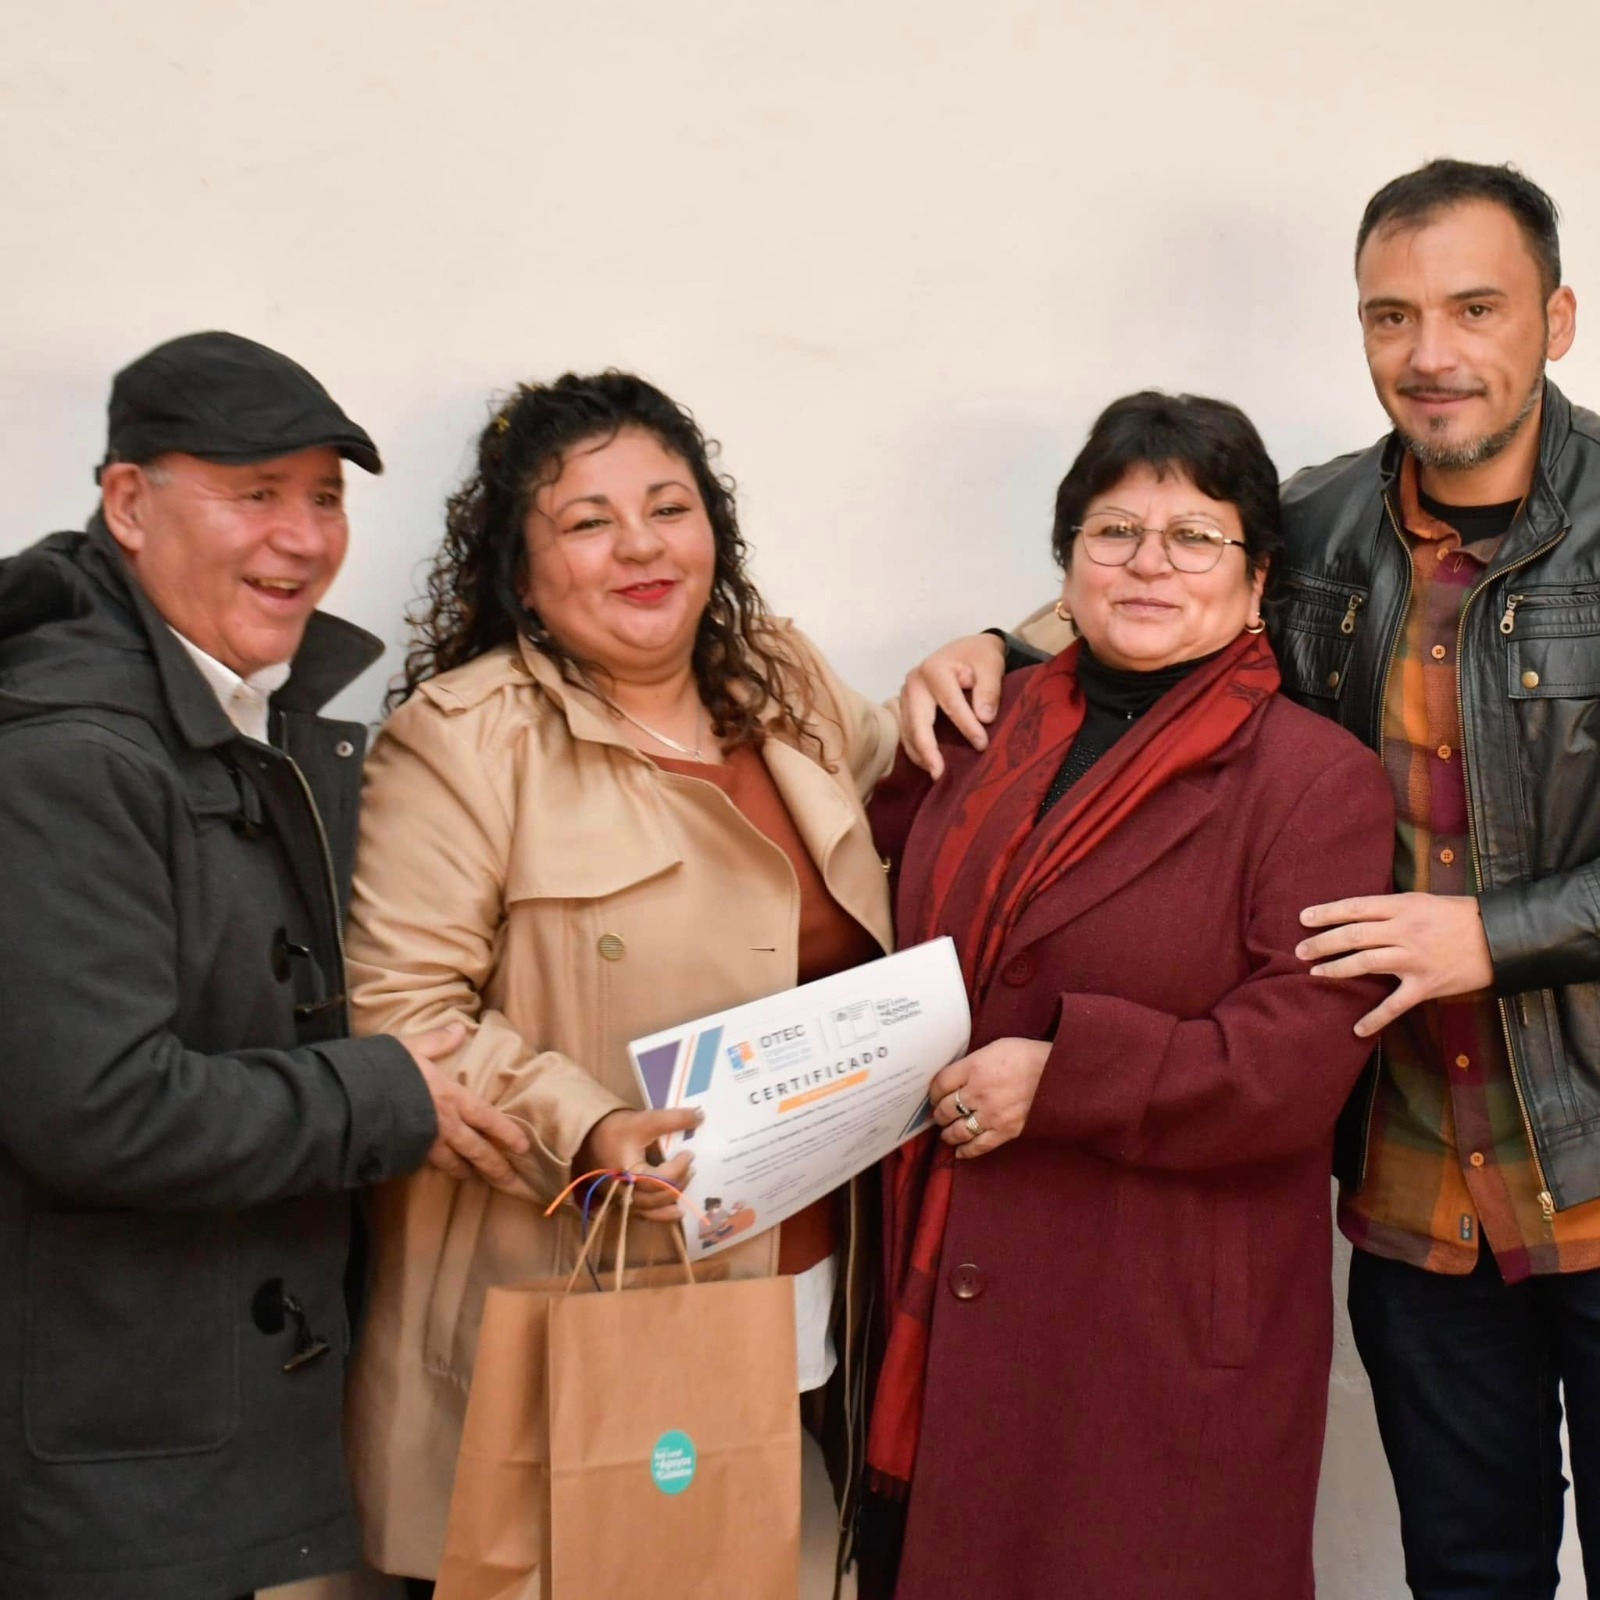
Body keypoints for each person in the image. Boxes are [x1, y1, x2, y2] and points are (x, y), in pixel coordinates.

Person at [903, 160, 1600, 1599]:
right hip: (1421, 1184)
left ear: (1560, 319)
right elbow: (1163, 574)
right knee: (1471, 1575)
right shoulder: (1329, 524)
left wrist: (1502, 934)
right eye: (1391, 315)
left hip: (1595, 1150)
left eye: (1477, 308)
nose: (1433, 352)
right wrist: (997, 641)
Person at [340, 370, 900, 1594]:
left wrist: (997, 643)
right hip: (573, 1288)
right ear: (521, 571)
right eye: (587, 522)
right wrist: (584, 1128)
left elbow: (935, 754)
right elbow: (400, 1014)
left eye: (668, 506)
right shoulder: (463, 737)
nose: (640, 545)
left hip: (801, 1263)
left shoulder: (782, 681)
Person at [0, 331, 529, 1600]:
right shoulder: (69, 756)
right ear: (128, 503)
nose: (303, 538)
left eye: (327, 497)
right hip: (124, 1469)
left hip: (213, 1431)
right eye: (255, 494)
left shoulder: (248, 707)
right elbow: (100, 1110)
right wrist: (388, 1095)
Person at [859, 391, 1394, 1599]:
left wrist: (1064, 1075)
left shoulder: (1319, 783)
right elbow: (878, 935)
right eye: (1113, 531)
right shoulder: (972, 732)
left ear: (1258, 580)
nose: (1149, 562)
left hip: (1157, 1327)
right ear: (1066, 567)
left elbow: (1293, 1066)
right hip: (948, 1295)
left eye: (1194, 536)